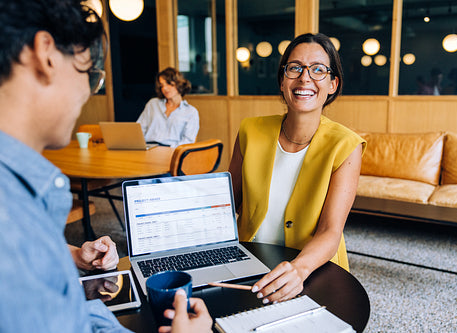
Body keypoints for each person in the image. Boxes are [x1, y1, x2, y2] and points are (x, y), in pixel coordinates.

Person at [0, 0, 211, 332]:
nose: (88, 92)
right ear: (45, 54)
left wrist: (71, 255)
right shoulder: (10, 217)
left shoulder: (21, 198)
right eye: (91, 74)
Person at [229, 33, 366, 305]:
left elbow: (330, 230)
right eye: (295, 68)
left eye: (318, 70)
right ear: (282, 81)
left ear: (332, 84)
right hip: (251, 262)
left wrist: (298, 270)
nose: (305, 78)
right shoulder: (250, 130)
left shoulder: (346, 144)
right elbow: (227, 202)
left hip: (313, 267)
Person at [137, 68, 199, 148]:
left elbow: (188, 141)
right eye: (162, 85)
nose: (165, 88)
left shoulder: (191, 112)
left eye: (168, 84)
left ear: (178, 83)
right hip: (149, 149)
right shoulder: (153, 104)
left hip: (172, 151)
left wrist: (169, 150)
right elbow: (139, 130)